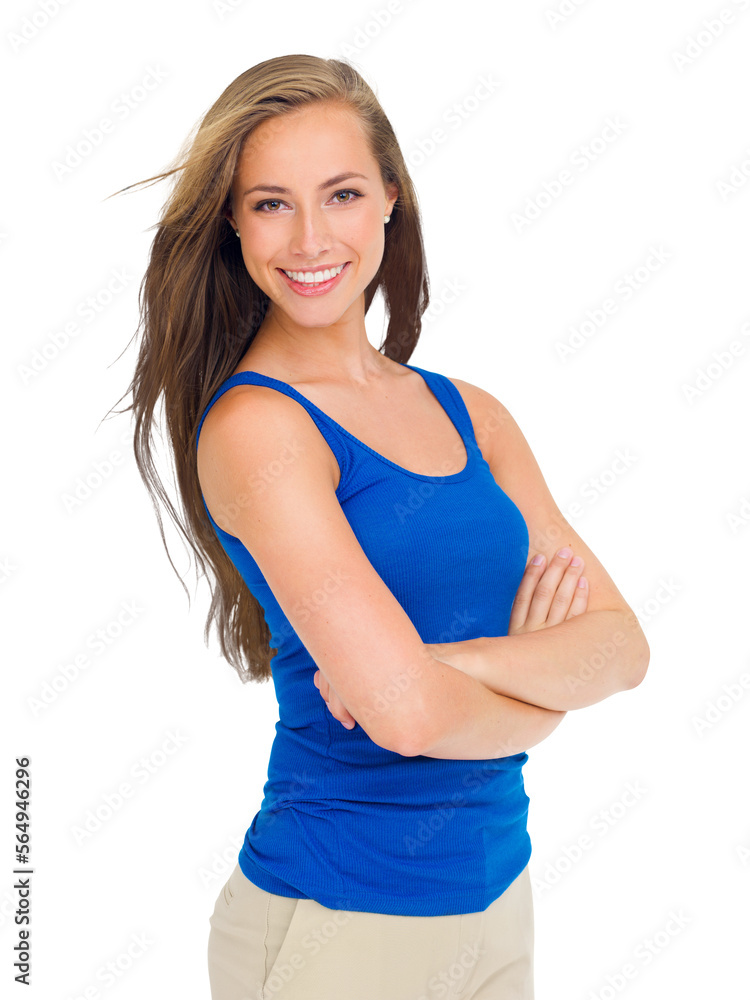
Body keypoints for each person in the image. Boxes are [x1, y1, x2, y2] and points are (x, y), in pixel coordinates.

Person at [114, 54, 649, 1000]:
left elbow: (621, 647)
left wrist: (453, 665)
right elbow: (402, 717)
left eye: (343, 193)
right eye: (271, 202)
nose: (311, 237)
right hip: (340, 919)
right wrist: (549, 698)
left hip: (499, 898)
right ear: (233, 222)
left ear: (391, 200)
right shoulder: (258, 430)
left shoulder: (472, 414)